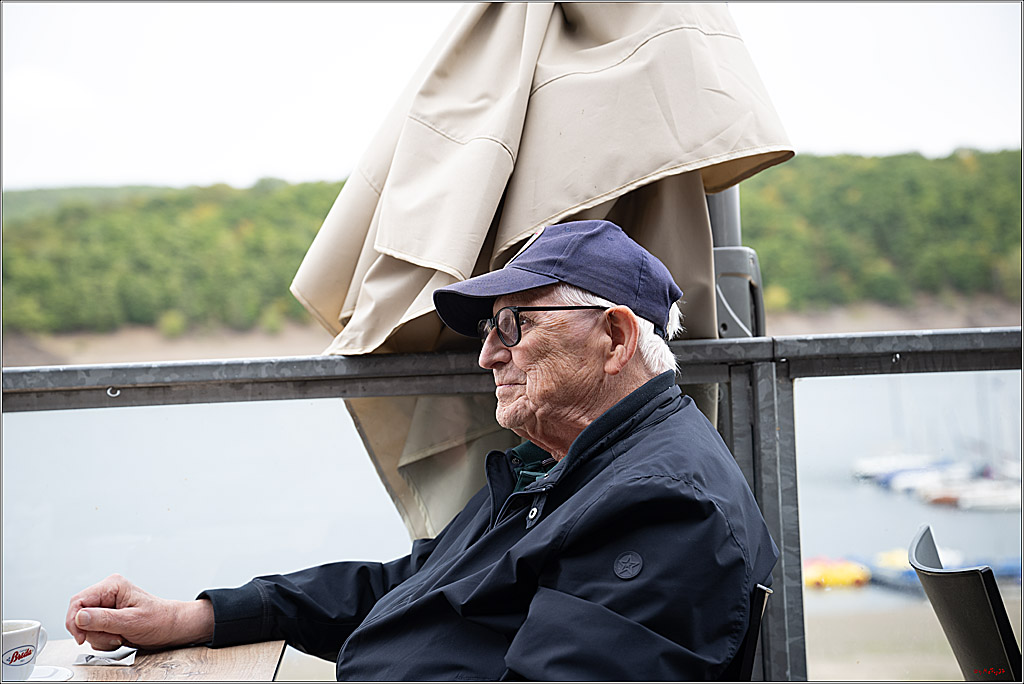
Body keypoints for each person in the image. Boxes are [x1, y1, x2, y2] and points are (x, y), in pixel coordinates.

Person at [66, 219, 778, 680]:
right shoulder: (573, 467)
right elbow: (414, 582)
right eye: (488, 332)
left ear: (617, 339)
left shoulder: (664, 505)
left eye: (511, 324)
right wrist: (201, 616)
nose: (487, 357)